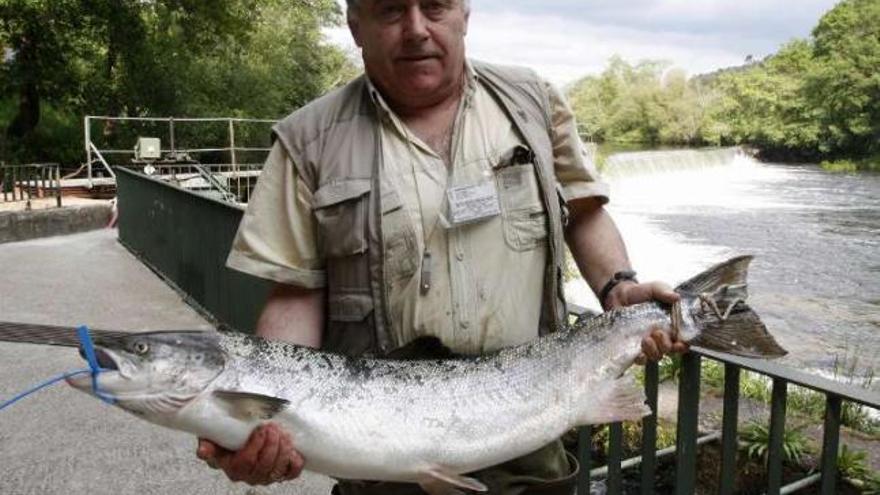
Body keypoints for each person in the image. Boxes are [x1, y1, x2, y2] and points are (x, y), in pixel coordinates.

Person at [197, 0, 687, 492]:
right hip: (381, 470)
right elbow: (295, 296)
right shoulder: (305, 143)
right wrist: (261, 421)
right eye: (389, 11)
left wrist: (618, 287)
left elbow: (584, 213)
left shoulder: (534, 103)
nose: (416, 30)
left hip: (533, 453)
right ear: (355, 26)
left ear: (464, 13)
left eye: (434, 6)